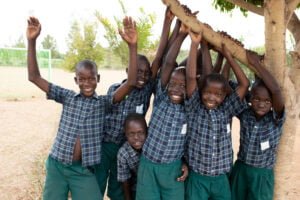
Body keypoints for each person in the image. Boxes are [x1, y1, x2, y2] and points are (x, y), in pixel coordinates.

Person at [27, 16, 136, 200]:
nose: (87, 83)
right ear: (76, 80)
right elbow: (34, 77)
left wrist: (132, 46)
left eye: (91, 78)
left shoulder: (103, 103)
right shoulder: (68, 97)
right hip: (58, 166)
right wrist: (31, 41)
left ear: (98, 79)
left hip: (82, 170)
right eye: (82, 79)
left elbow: (131, 82)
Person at [95, 9, 175, 200]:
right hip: (106, 144)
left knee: (118, 186)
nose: (143, 76)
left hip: (126, 146)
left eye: (146, 73)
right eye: (137, 72)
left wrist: (168, 23)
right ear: (127, 70)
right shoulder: (116, 89)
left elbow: (160, 57)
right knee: (96, 183)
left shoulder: (146, 90)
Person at [185, 31, 249, 200]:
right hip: (198, 178)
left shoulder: (226, 109)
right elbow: (191, 78)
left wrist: (229, 56)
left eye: (218, 94)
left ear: (224, 96)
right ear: (200, 92)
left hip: (221, 179)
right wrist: (194, 45)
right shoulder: (195, 108)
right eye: (208, 92)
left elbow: (244, 84)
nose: (212, 97)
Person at [135, 20, 190, 200]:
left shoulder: (190, 108)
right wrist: (181, 35)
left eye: (183, 85)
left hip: (172, 169)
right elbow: (167, 63)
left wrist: (201, 46)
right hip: (148, 165)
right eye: (173, 84)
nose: (176, 88)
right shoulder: (161, 98)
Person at [230, 50, 285, 200]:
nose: (261, 104)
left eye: (267, 101)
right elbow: (232, 88)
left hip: (262, 175)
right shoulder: (245, 113)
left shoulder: (276, 118)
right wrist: (230, 56)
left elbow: (275, 90)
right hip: (241, 169)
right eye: (257, 99)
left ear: (273, 102)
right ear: (250, 98)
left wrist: (256, 65)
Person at [117, 113, 148, 200]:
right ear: (125, 134)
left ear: (146, 131)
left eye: (140, 132)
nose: (136, 137)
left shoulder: (152, 143)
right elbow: (125, 180)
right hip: (137, 186)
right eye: (131, 134)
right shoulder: (123, 153)